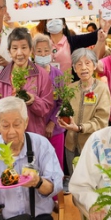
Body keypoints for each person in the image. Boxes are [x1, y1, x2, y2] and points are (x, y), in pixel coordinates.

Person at [0, 97, 63, 220]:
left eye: (17, 124)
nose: (11, 131)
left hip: (37, 219)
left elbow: (55, 186)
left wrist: (38, 182)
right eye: (5, 125)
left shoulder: (41, 145)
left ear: (26, 122)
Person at [58, 48, 111, 182]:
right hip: (70, 145)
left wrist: (80, 128)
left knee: (93, 183)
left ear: (94, 66)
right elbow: (65, 111)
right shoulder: (70, 88)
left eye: (87, 63)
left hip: (92, 146)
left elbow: (101, 121)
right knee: (75, 182)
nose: (83, 67)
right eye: (79, 64)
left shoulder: (102, 88)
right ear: (74, 68)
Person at [0, 28, 54, 136]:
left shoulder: (42, 75)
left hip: (33, 134)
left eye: (24, 47)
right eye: (15, 48)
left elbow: (46, 108)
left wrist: (34, 101)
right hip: (8, 136)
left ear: (30, 50)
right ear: (9, 51)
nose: (19, 53)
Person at [33, 34, 66, 170]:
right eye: (39, 51)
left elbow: (63, 102)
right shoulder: (29, 74)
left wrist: (52, 122)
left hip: (55, 130)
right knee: (37, 166)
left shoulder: (57, 74)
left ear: (52, 51)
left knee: (56, 165)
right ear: (32, 53)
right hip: (35, 129)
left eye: (46, 51)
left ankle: (55, 191)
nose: (43, 54)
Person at [36, 18, 105, 71]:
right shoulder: (41, 44)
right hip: (48, 86)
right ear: (46, 28)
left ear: (64, 25)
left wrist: (103, 27)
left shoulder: (73, 41)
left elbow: (94, 36)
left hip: (70, 87)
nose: (54, 21)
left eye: (57, 18)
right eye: (50, 19)